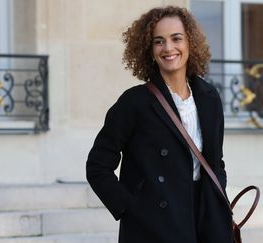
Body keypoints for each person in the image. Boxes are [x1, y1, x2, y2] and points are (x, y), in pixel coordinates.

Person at [86, 6, 233, 243]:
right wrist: (131, 209)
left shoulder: (209, 98)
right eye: (159, 41)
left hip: (207, 218)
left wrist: (218, 199)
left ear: (190, 43)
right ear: (149, 49)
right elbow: (97, 166)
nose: (168, 48)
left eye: (176, 38)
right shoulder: (135, 102)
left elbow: (217, 161)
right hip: (156, 224)